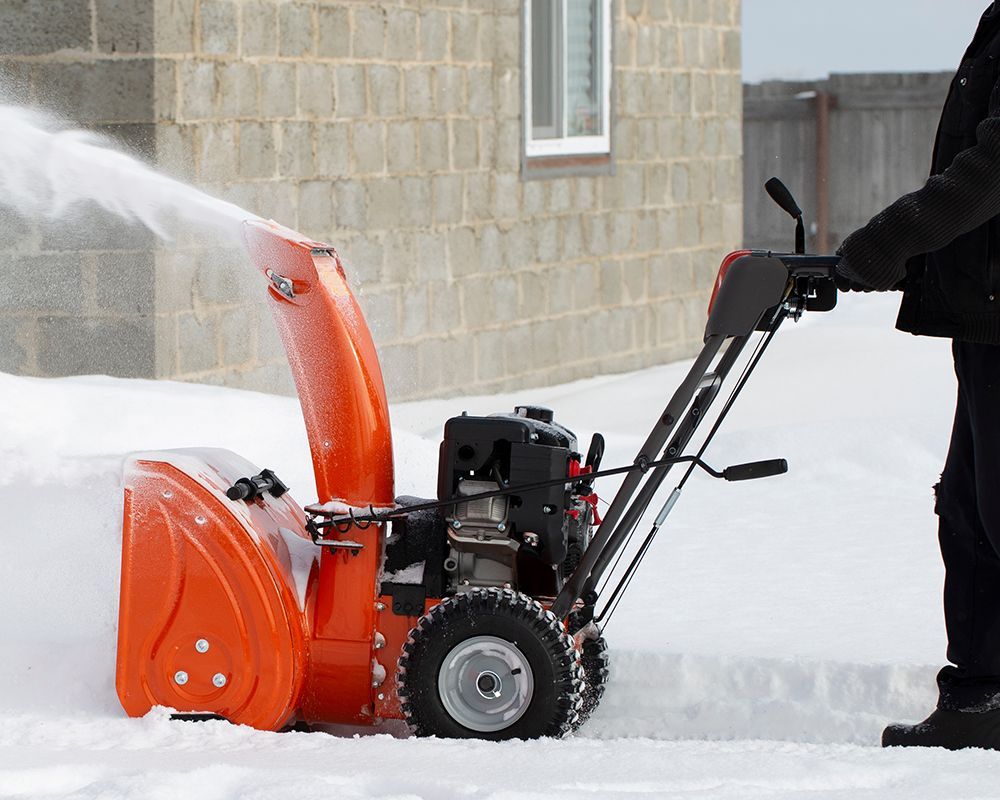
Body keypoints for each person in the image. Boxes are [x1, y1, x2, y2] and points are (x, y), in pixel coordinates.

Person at [836, 2, 1000, 749]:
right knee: (968, 511)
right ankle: (977, 701)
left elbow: (991, 170)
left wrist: (890, 239)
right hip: (986, 312)